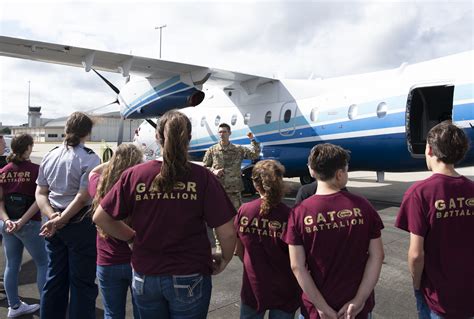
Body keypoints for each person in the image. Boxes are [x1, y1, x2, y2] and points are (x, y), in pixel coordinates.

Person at [93, 110, 237, 319]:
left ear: (157, 137)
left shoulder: (135, 175)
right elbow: (227, 232)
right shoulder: (202, 177)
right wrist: (224, 259)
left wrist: (133, 238)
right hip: (190, 273)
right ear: (188, 138)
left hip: (146, 274)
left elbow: (101, 217)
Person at [283, 143, 384, 319]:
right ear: (339, 174)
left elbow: (297, 266)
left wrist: (321, 307)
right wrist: (359, 300)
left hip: (316, 310)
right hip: (356, 310)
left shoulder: (299, 213)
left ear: (312, 171)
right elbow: (377, 255)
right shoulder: (363, 206)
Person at [395, 121, 474, 318]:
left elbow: (416, 254)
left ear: (429, 150)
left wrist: (416, 284)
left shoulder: (420, 193)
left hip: (438, 298)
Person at [36, 112, 100, 319]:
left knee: (54, 279)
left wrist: (52, 217)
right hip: (78, 223)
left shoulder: (50, 155)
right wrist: (61, 219)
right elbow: (82, 197)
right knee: (82, 283)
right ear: (87, 132)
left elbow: (40, 192)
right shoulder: (90, 158)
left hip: (52, 221)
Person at [234, 160, 300, 319]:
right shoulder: (290, 215)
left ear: (256, 185)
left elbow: (239, 249)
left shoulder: (244, 211)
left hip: (254, 285)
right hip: (285, 288)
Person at [88, 144, 143, 319]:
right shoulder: (140, 187)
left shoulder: (99, 185)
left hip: (107, 261)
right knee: (141, 312)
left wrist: (112, 163)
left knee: (112, 313)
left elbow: (93, 173)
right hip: (137, 261)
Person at [0, 134, 48, 317]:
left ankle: (14, 306)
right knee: (43, 263)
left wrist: (8, 221)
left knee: (12, 265)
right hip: (29, 225)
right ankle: (47, 305)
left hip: (7, 224)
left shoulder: (3, 171)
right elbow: (39, 200)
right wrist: (22, 221)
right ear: (28, 148)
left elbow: (0, 202)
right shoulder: (37, 169)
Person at [203, 123, 260, 210]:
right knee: (218, 215)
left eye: (224, 132)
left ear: (229, 133)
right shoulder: (212, 150)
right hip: (218, 189)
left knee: (235, 216)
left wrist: (252, 140)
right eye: (220, 132)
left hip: (234, 190)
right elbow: (204, 168)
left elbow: (254, 155)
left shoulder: (238, 149)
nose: (222, 134)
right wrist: (213, 171)